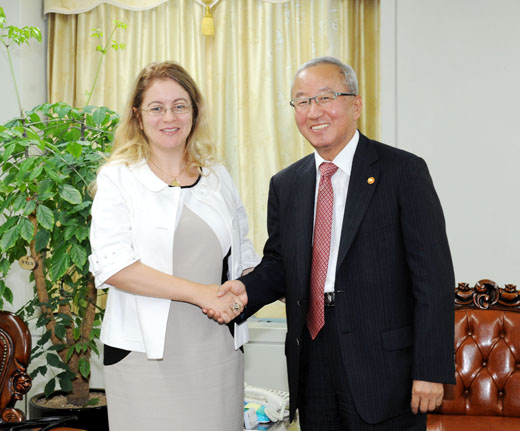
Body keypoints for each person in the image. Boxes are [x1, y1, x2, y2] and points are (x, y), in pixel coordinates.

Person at [213, 57, 455, 431]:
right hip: (312, 358)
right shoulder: (286, 184)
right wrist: (242, 291)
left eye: (325, 97)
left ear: (356, 105)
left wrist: (431, 369)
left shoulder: (402, 172)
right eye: (302, 101)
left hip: (385, 367)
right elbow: (280, 263)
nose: (314, 112)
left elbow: (433, 279)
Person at [88, 61, 259, 431]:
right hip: (142, 357)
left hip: (216, 351)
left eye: (180, 105)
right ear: (137, 114)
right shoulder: (117, 178)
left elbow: (243, 256)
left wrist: (252, 288)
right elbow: (114, 266)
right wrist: (203, 294)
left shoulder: (217, 175)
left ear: (194, 112)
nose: (170, 117)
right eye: (157, 107)